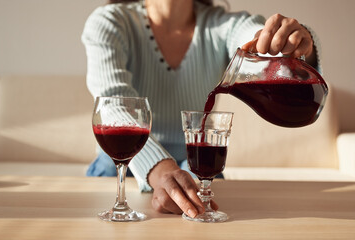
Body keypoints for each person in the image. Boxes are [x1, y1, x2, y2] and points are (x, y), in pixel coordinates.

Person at [82, 0, 320, 218]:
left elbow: (257, 43)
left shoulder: (226, 25)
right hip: (121, 163)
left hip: (196, 165)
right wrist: (161, 169)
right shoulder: (109, 22)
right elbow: (113, 104)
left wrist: (292, 45)